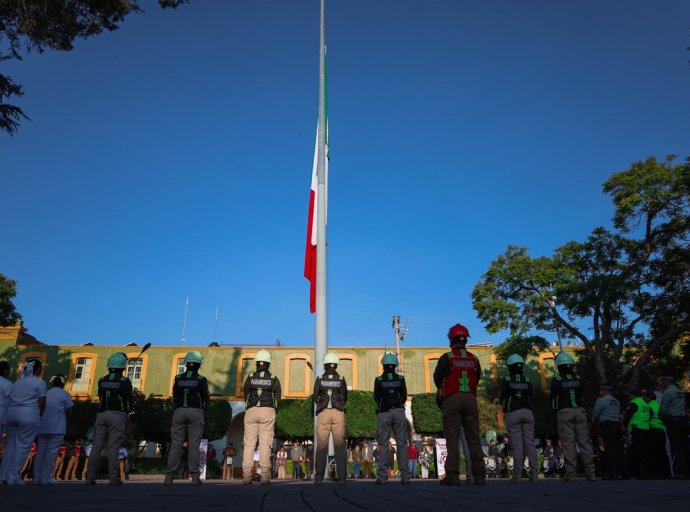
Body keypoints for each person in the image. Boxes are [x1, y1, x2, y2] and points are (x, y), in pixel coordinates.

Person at [433, 324, 486, 486]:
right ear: (465, 340)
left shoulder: (447, 358)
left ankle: (453, 475)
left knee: (452, 438)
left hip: (452, 399)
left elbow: (437, 378)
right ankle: (480, 475)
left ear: (451, 340)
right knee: (473, 438)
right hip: (470, 398)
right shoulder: (474, 359)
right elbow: (477, 378)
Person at [85, 352, 133, 486]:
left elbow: (101, 395)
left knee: (96, 447)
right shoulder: (124, 381)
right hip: (117, 414)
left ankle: (90, 478)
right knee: (114, 447)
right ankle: (113, 478)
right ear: (123, 367)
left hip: (101, 414)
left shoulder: (102, 380)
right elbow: (128, 399)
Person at [164, 350, 209, 486]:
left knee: (176, 445)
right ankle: (195, 477)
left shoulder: (178, 378)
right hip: (196, 411)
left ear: (186, 364)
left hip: (179, 411)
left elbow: (175, 394)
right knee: (194, 446)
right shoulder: (201, 380)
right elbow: (206, 398)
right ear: (198, 365)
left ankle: (169, 477)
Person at [549, 352, 596, 482]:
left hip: (564, 412)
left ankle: (571, 474)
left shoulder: (557, 379)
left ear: (558, 366)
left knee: (568, 443)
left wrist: (555, 412)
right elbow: (582, 393)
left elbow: (552, 397)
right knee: (584, 442)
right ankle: (591, 473)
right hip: (580, 411)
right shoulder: (578, 378)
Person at [0, 358, 47, 485]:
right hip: (29, 414)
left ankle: (3, 476)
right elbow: (42, 403)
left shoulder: (17, 382)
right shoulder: (39, 383)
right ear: (37, 369)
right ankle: (13, 477)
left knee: (10, 445)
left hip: (12, 414)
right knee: (22, 447)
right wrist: (39, 415)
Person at [241, 349, 281, 485]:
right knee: (265, 445)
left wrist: (250, 406)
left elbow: (245, 393)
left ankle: (246, 477)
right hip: (268, 410)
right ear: (268, 364)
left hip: (251, 411)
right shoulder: (274, 379)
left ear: (257, 363)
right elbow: (277, 398)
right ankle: (265, 477)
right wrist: (274, 409)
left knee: (249, 444)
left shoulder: (250, 377)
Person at [373, 352, 411, 485]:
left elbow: (376, 397)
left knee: (383, 444)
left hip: (384, 413)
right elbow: (404, 395)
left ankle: (382, 477)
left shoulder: (378, 380)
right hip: (399, 412)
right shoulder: (401, 379)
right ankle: (405, 476)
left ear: (383, 365)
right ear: (395, 365)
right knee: (401, 443)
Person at [499, 354, 538, 483]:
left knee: (517, 445)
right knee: (530, 444)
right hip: (528, 413)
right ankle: (534, 474)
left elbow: (502, 397)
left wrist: (505, 410)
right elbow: (532, 397)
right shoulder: (527, 380)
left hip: (513, 413)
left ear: (509, 367)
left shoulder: (506, 379)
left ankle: (518, 475)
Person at [313, 352, 348, 485]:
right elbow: (345, 396)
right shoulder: (341, 379)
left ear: (325, 365)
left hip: (323, 413)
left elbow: (315, 396)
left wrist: (323, 405)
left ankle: (319, 478)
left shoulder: (319, 379)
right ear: (336, 365)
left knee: (322, 446)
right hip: (338, 412)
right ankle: (342, 478)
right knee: (339, 446)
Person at [34, 374, 74, 484]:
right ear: (63, 383)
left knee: (40, 452)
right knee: (51, 453)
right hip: (57, 428)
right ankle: (46, 477)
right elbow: (69, 410)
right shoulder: (64, 394)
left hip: (42, 427)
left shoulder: (46, 393)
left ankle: (36, 477)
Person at [658, 375, 689, 479]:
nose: (661, 383)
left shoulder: (668, 392)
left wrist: (661, 417)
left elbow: (663, 407)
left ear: (666, 381)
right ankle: (687, 470)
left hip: (673, 421)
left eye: (662, 381)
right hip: (683, 420)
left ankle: (682, 471)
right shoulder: (680, 391)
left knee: (677, 447)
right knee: (685, 446)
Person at [592, 384, 624, 480]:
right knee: (619, 449)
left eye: (600, 390)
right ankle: (622, 472)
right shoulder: (616, 401)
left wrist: (593, 422)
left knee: (609, 450)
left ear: (603, 391)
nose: (600, 392)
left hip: (607, 426)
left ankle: (611, 473)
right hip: (616, 425)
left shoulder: (601, 400)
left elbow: (595, 413)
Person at [624, 388, 652, 479]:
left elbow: (627, 416)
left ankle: (639, 473)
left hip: (637, 429)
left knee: (637, 452)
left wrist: (625, 426)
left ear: (634, 395)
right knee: (645, 452)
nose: (628, 396)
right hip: (646, 429)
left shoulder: (634, 403)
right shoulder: (645, 404)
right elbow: (650, 414)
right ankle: (647, 472)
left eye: (629, 394)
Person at [644, 390, 670, 479]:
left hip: (653, 430)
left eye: (646, 397)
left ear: (649, 398)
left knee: (655, 452)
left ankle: (658, 473)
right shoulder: (658, 405)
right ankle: (666, 472)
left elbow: (646, 419)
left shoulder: (649, 406)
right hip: (661, 430)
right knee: (662, 452)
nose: (644, 399)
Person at [0, 361, 13, 441]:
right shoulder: (7, 384)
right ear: (5, 371)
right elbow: (11, 403)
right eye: (9, 369)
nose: (10, 371)